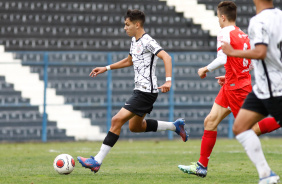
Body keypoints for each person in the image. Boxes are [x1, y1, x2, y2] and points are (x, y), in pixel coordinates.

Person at [77, 9, 188, 173]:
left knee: (116, 121)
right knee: (136, 127)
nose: (124, 28)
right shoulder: (134, 41)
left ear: (137, 24)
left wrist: (168, 81)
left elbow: (167, 57)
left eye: (127, 24)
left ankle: (97, 160)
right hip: (141, 90)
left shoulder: (148, 41)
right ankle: (175, 126)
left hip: (145, 92)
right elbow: (129, 61)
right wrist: (106, 68)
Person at [178, 1, 280, 178]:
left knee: (251, 129)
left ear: (223, 17)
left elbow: (223, 58)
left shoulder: (224, 32)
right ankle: (201, 165)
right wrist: (230, 75)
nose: (219, 20)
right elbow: (250, 63)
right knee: (210, 121)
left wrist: (205, 69)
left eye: (219, 17)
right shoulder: (242, 34)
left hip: (237, 88)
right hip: (232, 84)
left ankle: (279, 121)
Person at [221, 0, 282, 183]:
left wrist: (233, 52)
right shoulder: (279, 16)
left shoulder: (258, 20)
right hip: (262, 88)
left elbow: (260, 52)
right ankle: (266, 174)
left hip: (274, 89)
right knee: (240, 127)